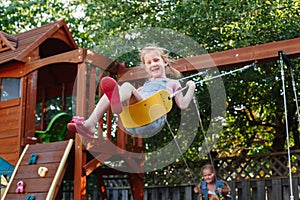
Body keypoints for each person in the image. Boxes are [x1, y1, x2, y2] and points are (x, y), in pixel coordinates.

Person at [67, 45, 196, 138]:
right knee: (117, 91)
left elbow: (183, 104)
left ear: (165, 62)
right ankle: (90, 124)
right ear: (146, 67)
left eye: (156, 60)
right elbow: (141, 97)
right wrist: (137, 93)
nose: (153, 64)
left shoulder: (172, 83)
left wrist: (191, 87)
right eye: (149, 62)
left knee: (127, 86)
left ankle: (116, 101)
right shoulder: (146, 85)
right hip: (133, 119)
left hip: (152, 118)